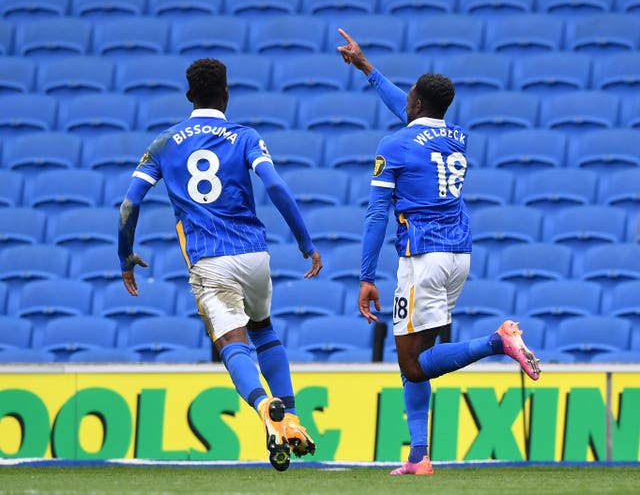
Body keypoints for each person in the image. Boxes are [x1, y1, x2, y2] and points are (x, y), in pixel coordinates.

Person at [337, 29, 541, 476]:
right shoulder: (457, 138)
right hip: (458, 256)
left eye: (408, 98)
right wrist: (368, 69)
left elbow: (376, 216)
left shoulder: (393, 146)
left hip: (422, 258)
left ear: (415, 105)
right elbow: (408, 113)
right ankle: (419, 456)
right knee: (418, 355)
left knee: (411, 363)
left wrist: (366, 276)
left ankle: (497, 341)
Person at [117, 58, 322, 471]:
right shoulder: (245, 136)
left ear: (189, 95)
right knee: (264, 329)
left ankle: (266, 408)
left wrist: (125, 254)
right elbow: (276, 186)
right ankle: (293, 418)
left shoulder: (164, 143)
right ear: (226, 93)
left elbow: (130, 203)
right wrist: (306, 242)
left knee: (231, 344)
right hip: (254, 254)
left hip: (210, 260)